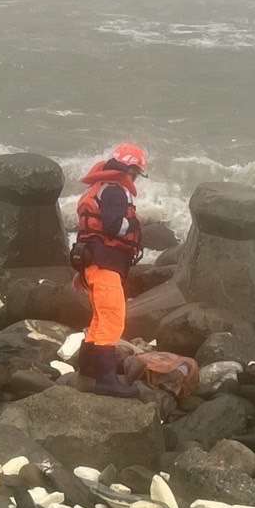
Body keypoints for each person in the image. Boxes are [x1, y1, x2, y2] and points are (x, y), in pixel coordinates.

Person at [71, 142, 148, 397]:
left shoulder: (101, 187)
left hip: (93, 262)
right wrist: (133, 225)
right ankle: (106, 380)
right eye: (136, 172)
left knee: (100, 318)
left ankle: (88, 372)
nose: (135, 177)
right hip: (105, 263)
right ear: (130, 169)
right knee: (113, 317)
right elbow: (114, 226)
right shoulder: (115, 191)